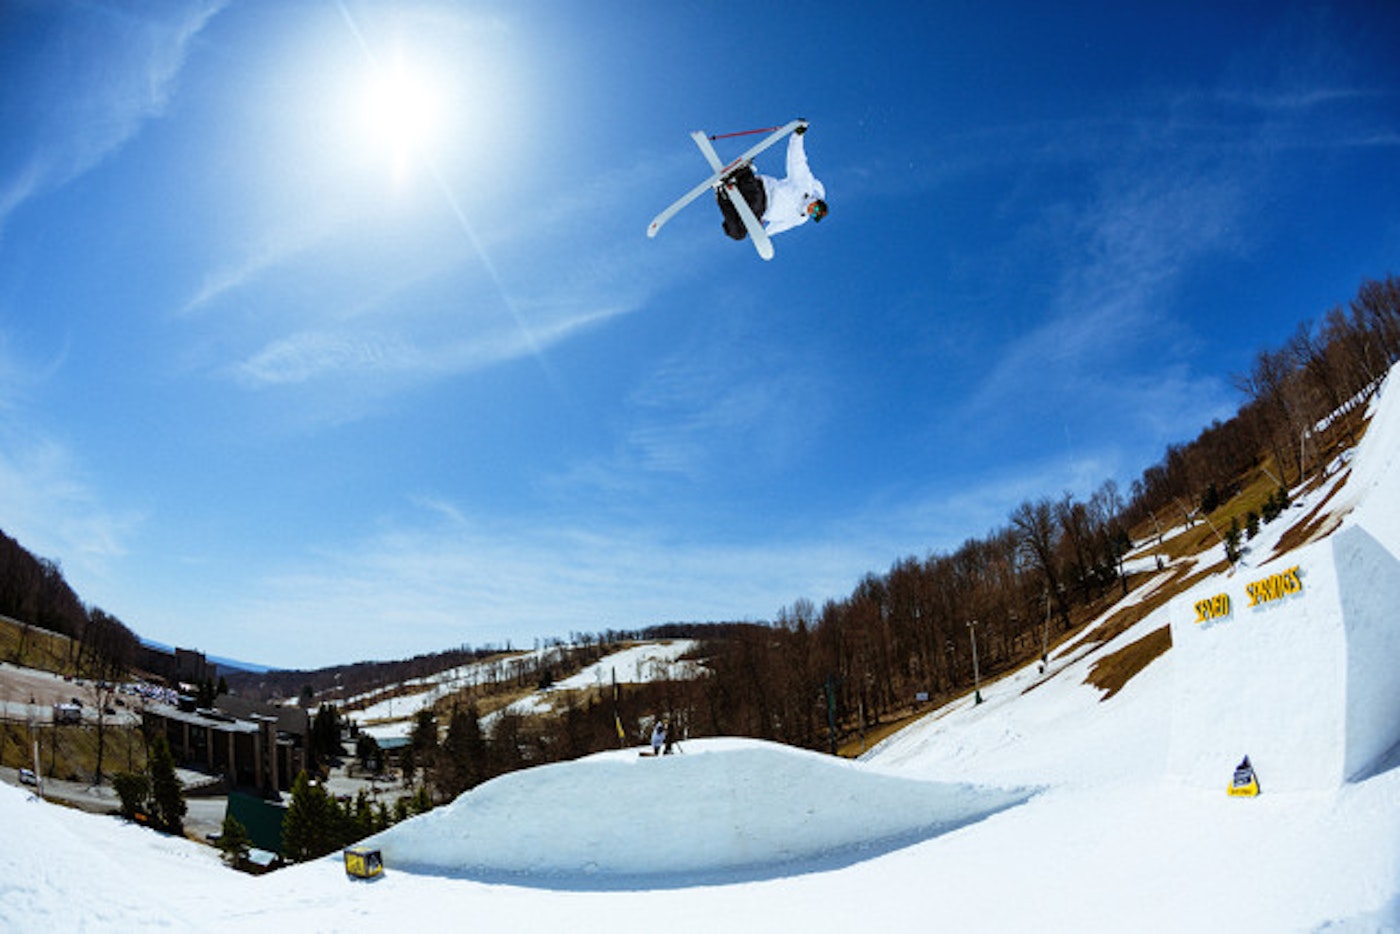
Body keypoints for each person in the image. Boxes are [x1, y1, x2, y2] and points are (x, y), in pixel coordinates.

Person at [717, 124, 827, 241]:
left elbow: (780, 226)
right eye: (816, 209)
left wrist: (764, 235)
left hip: (761, 211)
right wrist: (797, 136)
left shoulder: (800, 219)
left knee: (738, 233)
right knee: (754, 202)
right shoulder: (804, 186)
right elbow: (797, 160)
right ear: (817, 200)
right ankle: (743, 172)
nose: (812, 212)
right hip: (762, 190)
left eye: (815, 215)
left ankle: (722, 194)